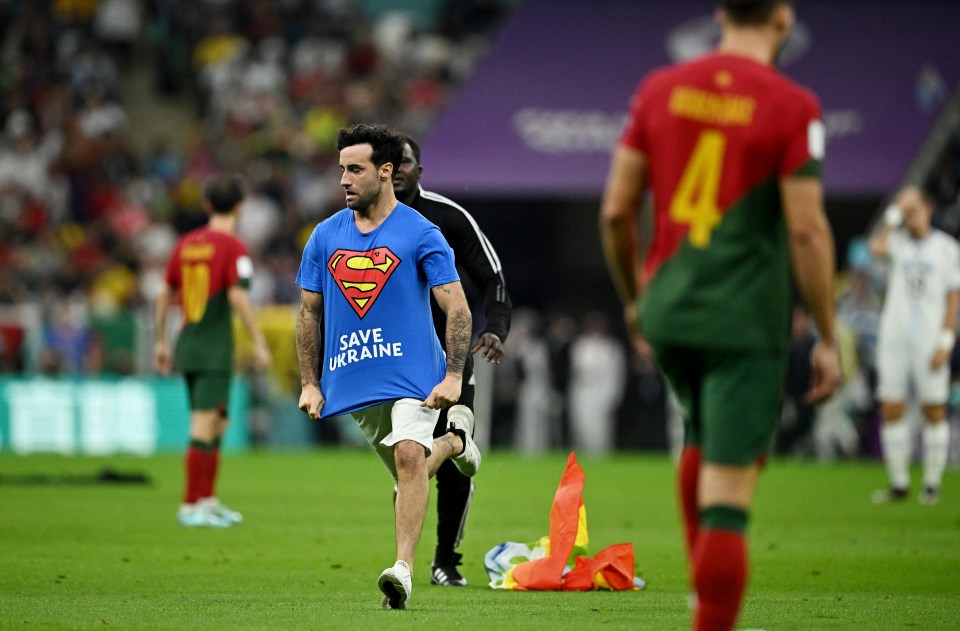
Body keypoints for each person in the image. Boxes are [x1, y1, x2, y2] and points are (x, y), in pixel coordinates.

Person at [599, 2, 842, 630]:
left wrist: (634, 300)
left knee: (702, 437)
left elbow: (616, 214)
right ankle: (714, 617)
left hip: (670, 309)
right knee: (731, 490)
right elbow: (809, 231)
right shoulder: (793, 105)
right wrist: (827, 333)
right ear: (783, 19)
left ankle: (702, 599)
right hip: (741, 318)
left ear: (720, 12)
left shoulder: (660, 89)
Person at [295, 124, 480, 610]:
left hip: (414, 373)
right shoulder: (324, 236)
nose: (344, 180)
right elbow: (308, 314)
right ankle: (456, 440)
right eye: (341, 170)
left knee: (408, 458)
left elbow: (457, 308)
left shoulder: (422, 233)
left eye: (355, 169)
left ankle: (402, 571)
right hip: (355, 379)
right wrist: (310, 383)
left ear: (385, 172)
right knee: (408, 473)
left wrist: (455, 376)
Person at [392, 134, 512, 587]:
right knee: (405, 456)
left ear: (419, 171)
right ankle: (404, 557)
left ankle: (445, 561)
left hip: (449, 353)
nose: (398, 168)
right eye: (392, 161)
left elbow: (492, 276)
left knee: (441, 465)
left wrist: (495, 328)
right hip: (391, 356)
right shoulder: (358, 221)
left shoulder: (447, 216)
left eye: (406, 161)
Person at [154, 174, 272, 528]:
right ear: (239, 207)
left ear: (207, 205)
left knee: (218, 422)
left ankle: (207, 499)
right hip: (213, 348)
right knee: (204, 426)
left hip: (187, 343)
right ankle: (190, 504)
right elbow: (237, 295)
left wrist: (161, 341)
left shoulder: (186, 244)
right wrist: (259, 341)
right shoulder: (233, 247)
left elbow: (164, 293)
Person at [868, 185, 960, 505]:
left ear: (929, 208)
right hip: (894, 338)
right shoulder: (898, 244)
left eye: (914, 209)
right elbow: (875, 247)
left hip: (929, 340)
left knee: (933, 408)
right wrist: (894, 212)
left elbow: (954, 296)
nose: (910, 217)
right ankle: (899, 484)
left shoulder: (947, 248)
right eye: (906, 213)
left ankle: (932, 484)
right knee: (892, 407)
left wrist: (946, 340)